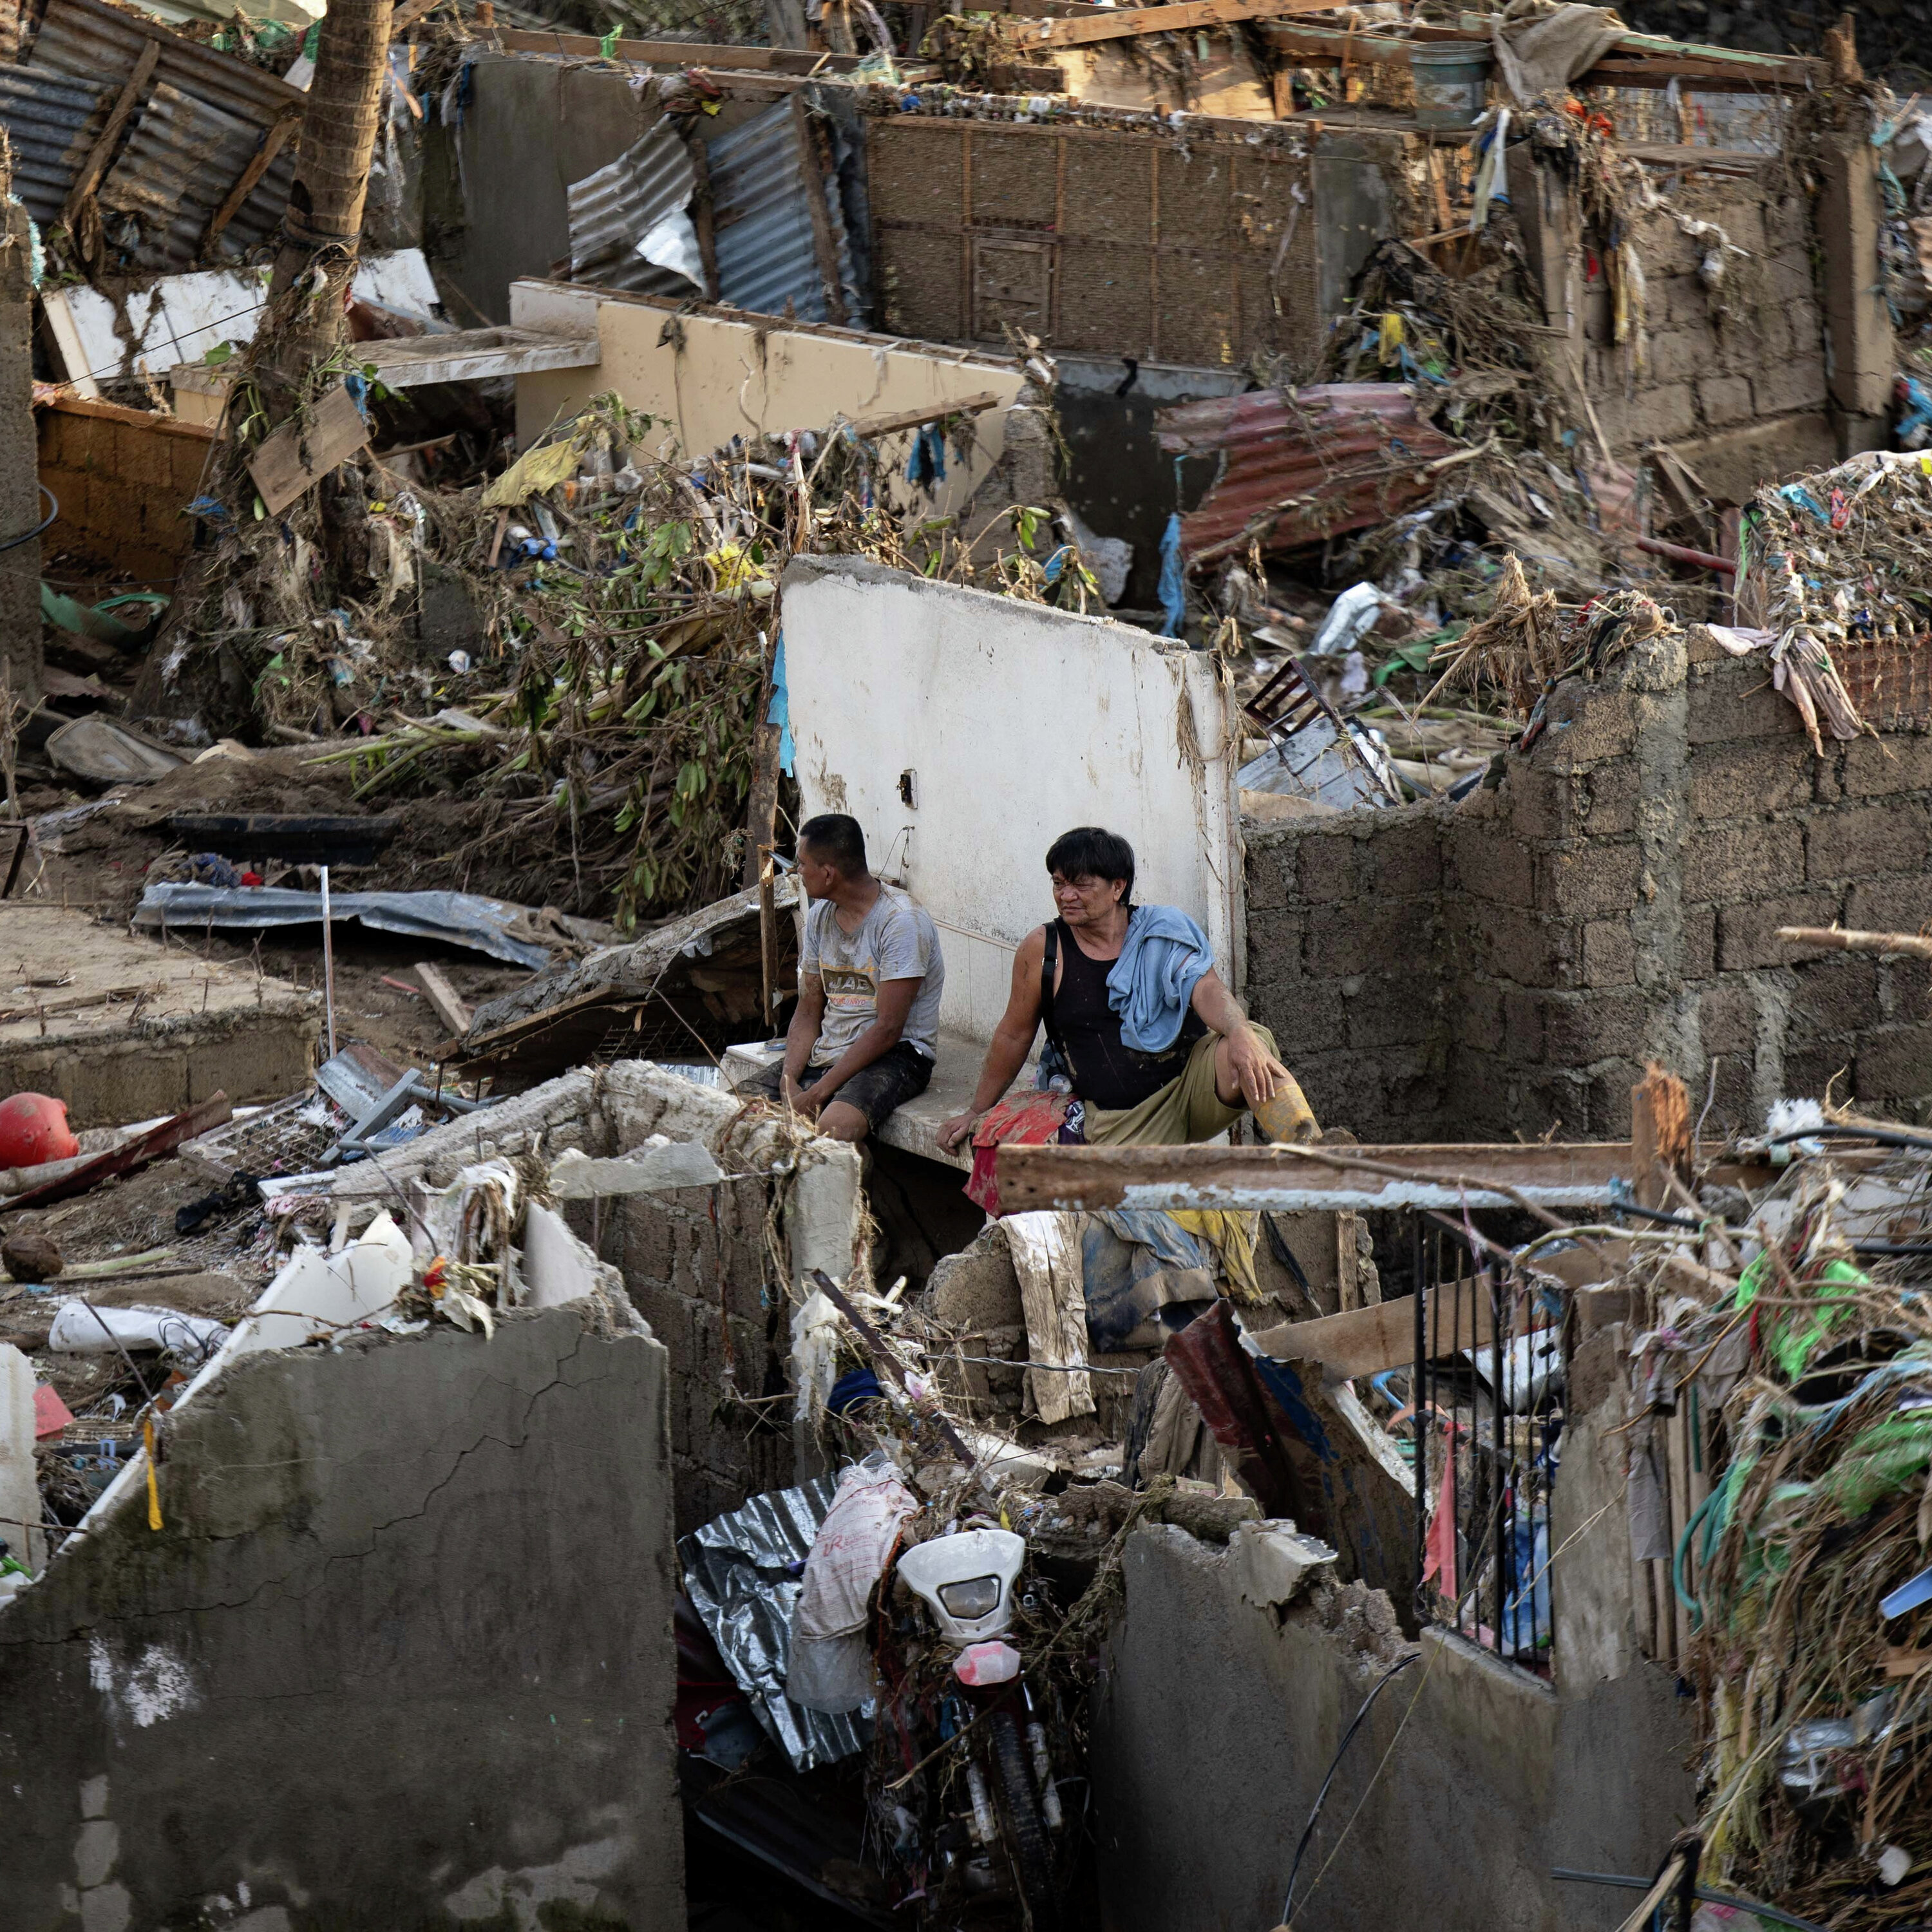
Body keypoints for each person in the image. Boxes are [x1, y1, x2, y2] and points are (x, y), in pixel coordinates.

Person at [936, 825, 1311, 1153]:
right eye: (1058, 883)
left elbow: (1207, 988)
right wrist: (976, 1111)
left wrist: (1239, 1030)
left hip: (1187, 1092)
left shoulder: (1162, 931)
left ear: (1118, 887)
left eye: (1081, 885)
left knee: (1250, 1042)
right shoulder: (1042, 949)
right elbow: (1014, 1035)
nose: (1066, 895)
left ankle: (1309, 1147)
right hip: (1115, 1122)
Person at [743, 813, 944, 1146]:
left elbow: (888, 1028)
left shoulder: (901, 922)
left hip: (898, 1055)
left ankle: (858, 1188)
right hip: (831, 1049)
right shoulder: (821, 914)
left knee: (831, 1131)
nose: (797, 871)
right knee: (739, 1110)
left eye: (802, 863)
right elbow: (809, 1009)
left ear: (828, 873)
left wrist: (817, 1093)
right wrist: (789, 1079)